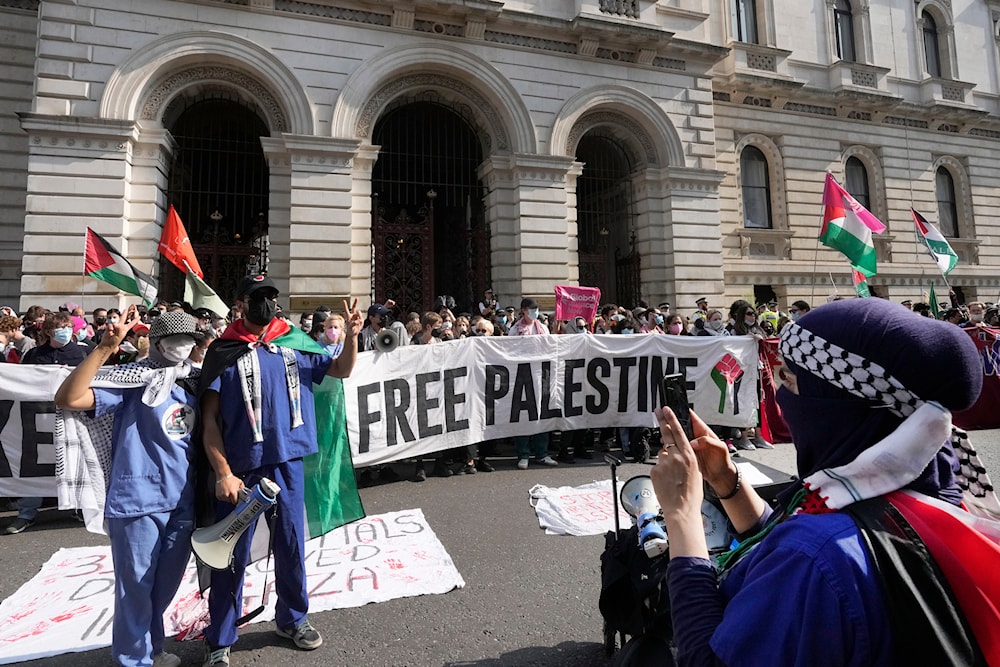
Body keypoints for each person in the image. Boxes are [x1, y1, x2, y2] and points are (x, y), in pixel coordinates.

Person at [650, 298, 997, 666]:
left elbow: (709, 658)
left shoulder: (811, 555)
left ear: (840, 401)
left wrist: (682, 515)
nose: (781, 400)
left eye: (790, 380)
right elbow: (819, 537)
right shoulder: (934, 482)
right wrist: (727, 481)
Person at [199, 275, 363, 667]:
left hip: (288, 463)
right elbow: (209, 423)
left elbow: (340, 370)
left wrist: (353, 336)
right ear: (241, 303)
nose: (267, 304)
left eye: (271, 297)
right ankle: (220, 637)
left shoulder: (293, 344)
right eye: (258, 297)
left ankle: (293, 619)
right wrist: (223, 471)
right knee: (231, 554)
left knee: (291, 545)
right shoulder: (224, 352)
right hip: (242, 472)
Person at [55, 308, 204, 667]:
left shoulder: (196, 382)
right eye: (175, 339)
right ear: (155, 342)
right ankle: (133, 660)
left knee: (162, 588)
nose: (182, 346)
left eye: (190, 340)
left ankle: (150, 649)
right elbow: (69, 399)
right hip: (137, 499)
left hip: (184, 499)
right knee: (135, 588)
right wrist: (106, 348)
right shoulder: (131, 380)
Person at [508, 298, 558, 469]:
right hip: (522, 377)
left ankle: (542, 453)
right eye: (531, 309)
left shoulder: (542, 328)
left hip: (540, 375)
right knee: (523, 415)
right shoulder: (515, 330)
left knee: (541, 413)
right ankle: (523, 453)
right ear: (523, 310)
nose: (534, 312)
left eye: (536, 309)